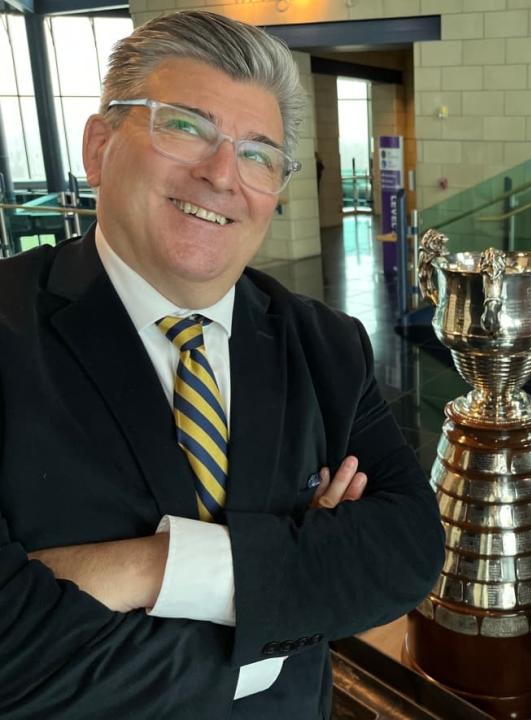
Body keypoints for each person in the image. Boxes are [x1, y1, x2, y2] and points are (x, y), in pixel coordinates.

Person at [0, 11, 444, 718]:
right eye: (184, 126)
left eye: (259, 154)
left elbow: (407, 554)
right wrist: (285, 596)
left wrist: (145, 568)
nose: (220, 175)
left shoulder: (326, 344)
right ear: (98, 146)